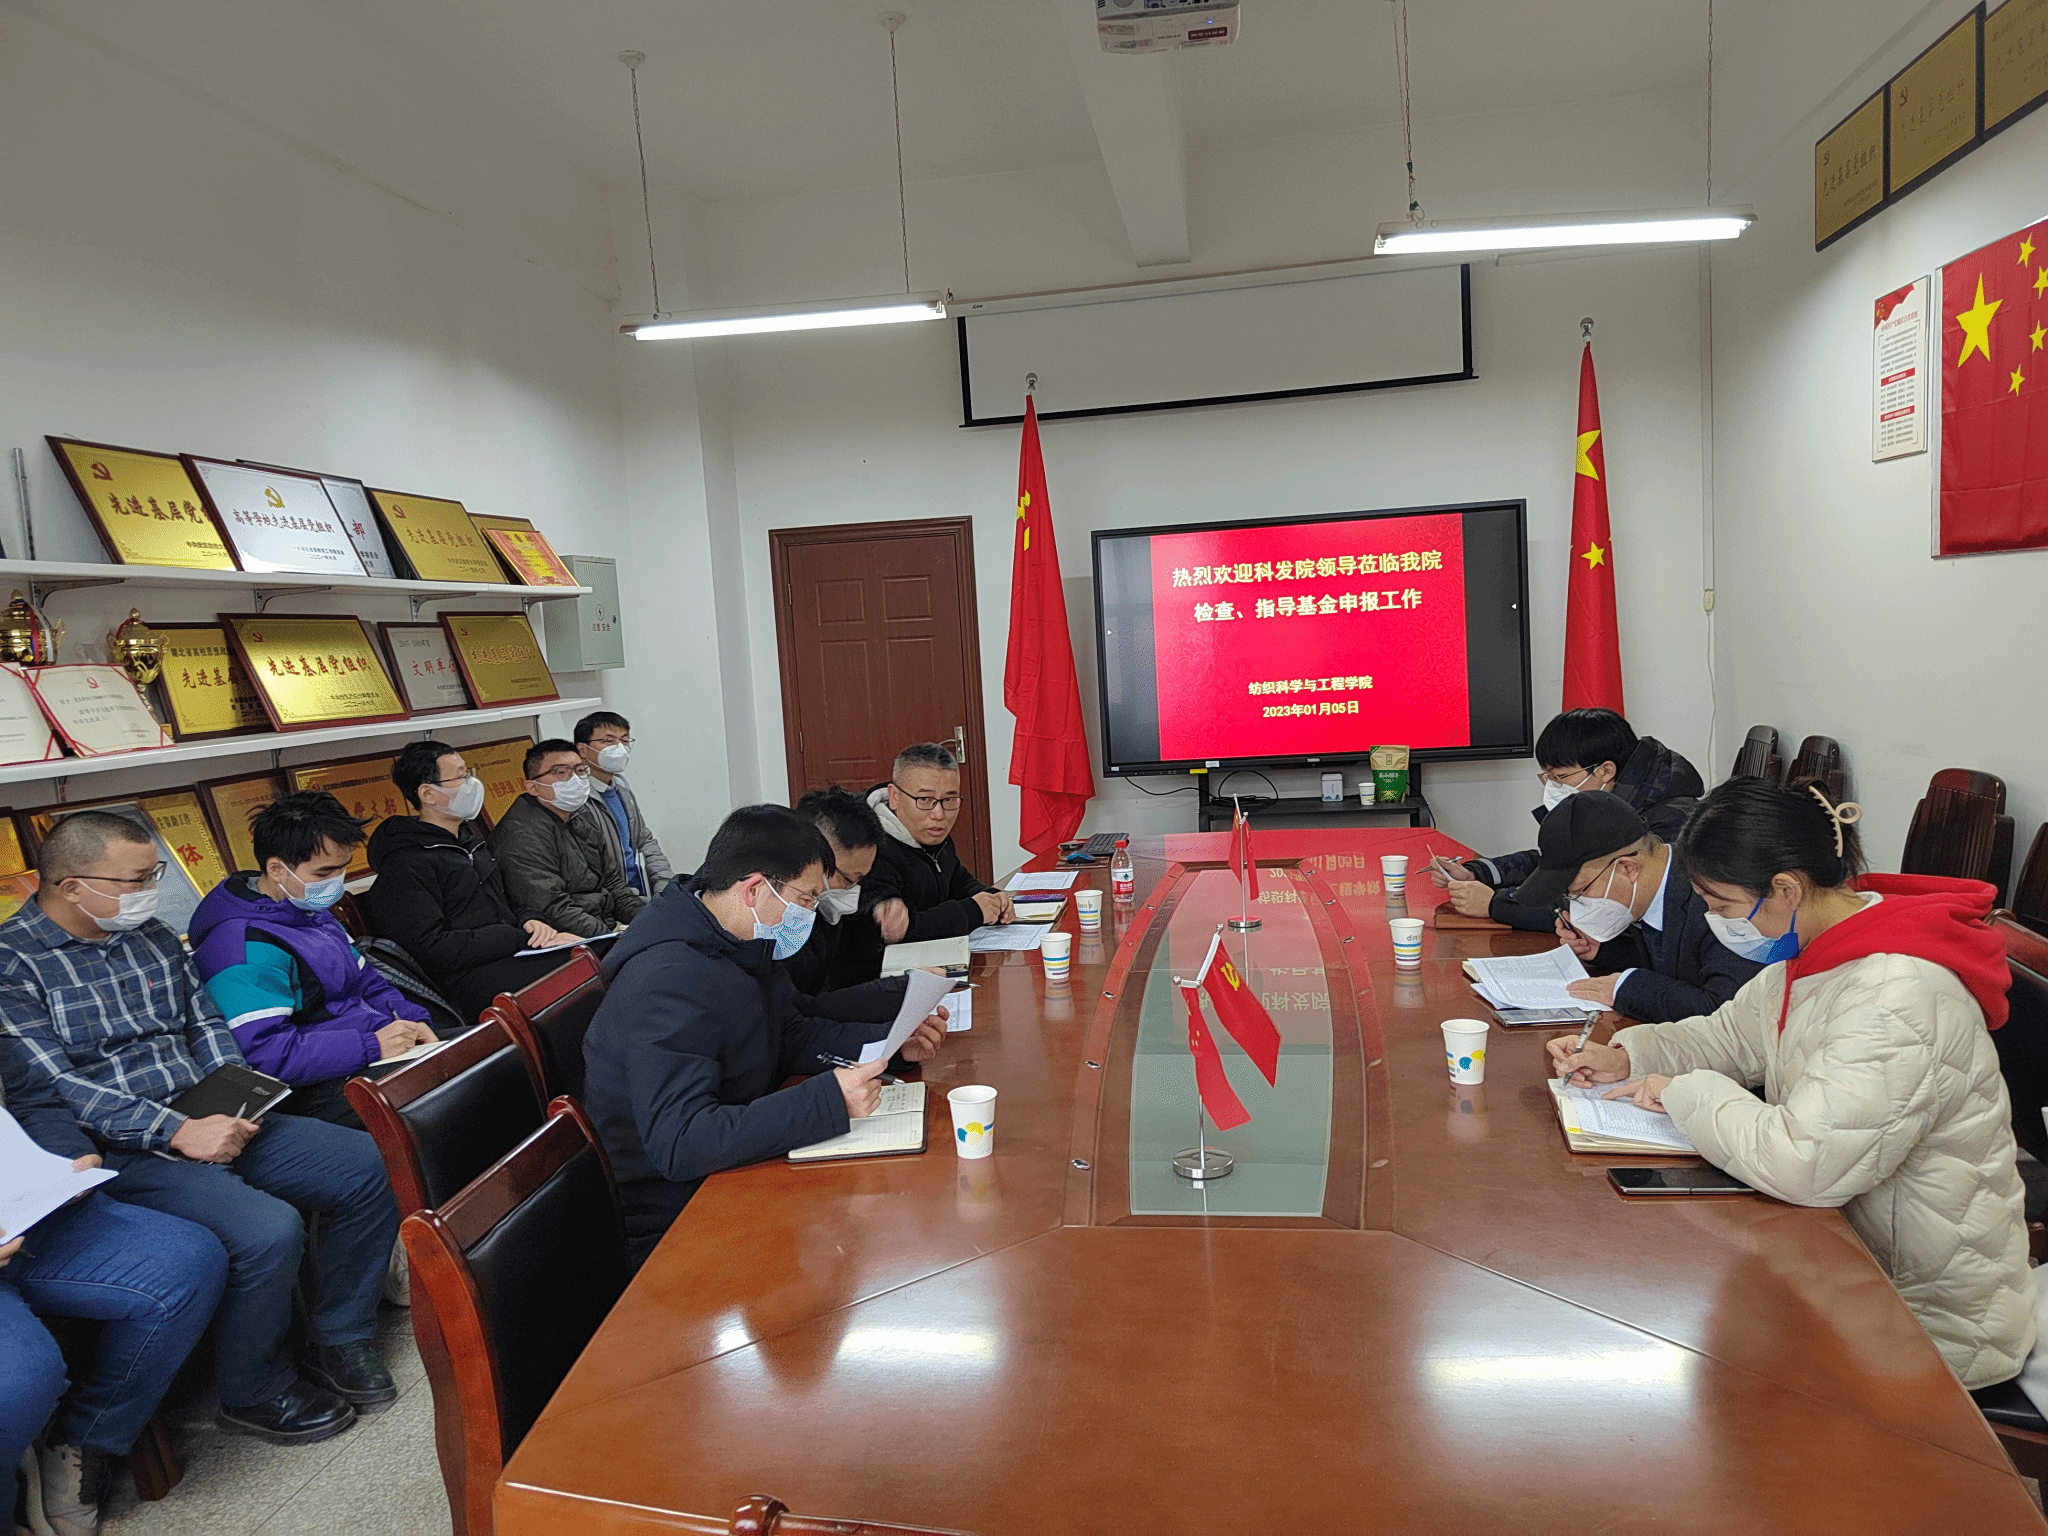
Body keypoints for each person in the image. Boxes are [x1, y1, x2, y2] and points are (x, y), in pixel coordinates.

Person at [1551, 778, 2034, 1389]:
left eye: (1722, 904)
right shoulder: (1824, 948)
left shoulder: (1896, 994)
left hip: (1927, 1319)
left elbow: (1804, 1164)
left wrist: (1682, 1092)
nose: (1714, 920)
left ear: (1785, 888)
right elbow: (1727, 1036)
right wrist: (1628, 1056)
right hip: (1848, 1267)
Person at [0, 813, 400, 1444]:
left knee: (366, 1165)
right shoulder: (12, 963)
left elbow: (204, 1021)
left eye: (153, 875)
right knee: (267, 1229)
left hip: (213, 1110)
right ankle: (254, 1389)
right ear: (72, 886)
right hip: (117, 1145)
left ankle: (340, 1334)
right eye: (135, 880)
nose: (149, 892)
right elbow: (55, 1085)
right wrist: (176, 1130)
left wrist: (233, 1096)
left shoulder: (151, 935)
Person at [582, 805, 950, 1259]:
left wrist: (889, 1046)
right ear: (755, 889)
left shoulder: (739, 941)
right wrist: (829, 1102)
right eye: (806, 899)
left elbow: (790, 1033)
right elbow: (681, 1142)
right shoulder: (666, 981)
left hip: (731, 1171)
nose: (811, 914)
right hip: (678, 1219)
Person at [2, 1038, 227, 1536]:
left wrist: (69, 1155)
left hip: (33, 1208)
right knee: (19, 1381)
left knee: (188, 1262)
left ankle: (84, 1440)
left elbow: (30, 1095)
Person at [189, 791, 438, 1129]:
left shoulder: (308, 911)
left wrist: (412, 1019)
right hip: (314, 1085)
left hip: (369, 1048)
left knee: (489, 1051)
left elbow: (369, 983)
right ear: (277, 869)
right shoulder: (243, 945)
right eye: (324, 874)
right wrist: (371, 1045)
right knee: (454, 1094)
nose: (337, 883)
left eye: (342, 869)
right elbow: (263, 1054)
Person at [363, 740, 580, 1023]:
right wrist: (514, 937)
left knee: (590, 955)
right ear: (428, 793)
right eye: (461, 777)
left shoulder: (469, 841)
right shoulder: (405, 863)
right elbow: (431, 948)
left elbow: (508, 899)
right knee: (579, 971)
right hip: (467, 980)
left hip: (510, 954)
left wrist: (530, 919)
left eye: (468, 773)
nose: (472, 784)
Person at [1500, 790, 1765, 1022]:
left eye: (1580, 892)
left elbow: (1725, 1011)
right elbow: (1673, 962)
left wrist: (1626, 988)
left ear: (1627, 868)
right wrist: (1605, 951)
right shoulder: (1649, 892)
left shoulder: (1717, 897)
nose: (1578, 904)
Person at [1432, 708, 1703, 932]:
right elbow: (1558, 866)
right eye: (1547, 778)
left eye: (1560, 777)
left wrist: (1496, 904)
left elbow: (1604, 900)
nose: (1552, 786)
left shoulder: (1671, 822)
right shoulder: (1612, 805)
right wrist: (1479, 872)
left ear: (1605, 771)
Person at [841, 743, 1012, 985]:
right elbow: (899, 932)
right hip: (880, 985)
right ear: (894, 797)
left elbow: (956, 878)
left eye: (949, 799)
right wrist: (973, 911)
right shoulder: (868, 850)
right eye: (924, 799)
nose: (939, 814)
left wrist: (990, 897)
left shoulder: (933, 835)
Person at [491, 739, 648, 939]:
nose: (574, 779)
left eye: (580, 770)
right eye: (560, 772)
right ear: (533, 787)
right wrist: (613, 941)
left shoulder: (579, 814)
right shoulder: (521, 835)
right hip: (573, 938)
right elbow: (553, 908)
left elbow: (614, 883)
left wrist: (647, 921)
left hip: (609, 926)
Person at [787, 786, 912, 1024]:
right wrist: (894, 995)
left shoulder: (829, 904)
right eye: (849, 880)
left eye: (861, 879)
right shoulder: (778, 923)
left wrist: (884, 903)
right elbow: (800, 1013)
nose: (853, 889)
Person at [575, 711, 673, 899]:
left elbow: (643, 840)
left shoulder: (621, 787)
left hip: (643, 891)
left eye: (624, 740)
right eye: (608, 741)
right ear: (583, 749)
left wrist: (666, 886)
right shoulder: (578, 799)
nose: (619, 748)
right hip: (615, 899)